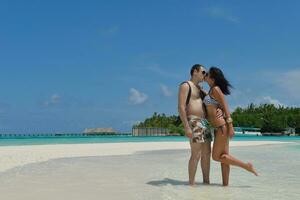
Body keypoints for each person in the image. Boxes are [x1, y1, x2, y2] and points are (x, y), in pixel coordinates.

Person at [204, 67, 258, 186]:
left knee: (216, 157)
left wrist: (231, 125)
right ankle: (226, 187)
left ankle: (246, 166)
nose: (205, 75)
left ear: (212, 78)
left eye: (207, 74)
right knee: (224, 158)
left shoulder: (216, 89)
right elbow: (215, 106)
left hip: (222, 127)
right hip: (219, 127)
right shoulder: (211, 91)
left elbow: (226, 107)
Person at [178, 64, 212, 186]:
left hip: (205, 122)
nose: (205, 75)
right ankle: (191, 184)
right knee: (196, 154)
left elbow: (211, 102)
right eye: (203, 72)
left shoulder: (201, 89)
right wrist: (186, 126)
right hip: (194, 121)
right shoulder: (186, 85)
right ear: (195, 72)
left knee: (207, 154)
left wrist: (204, 91)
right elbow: (181, 107)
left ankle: (206, 182)